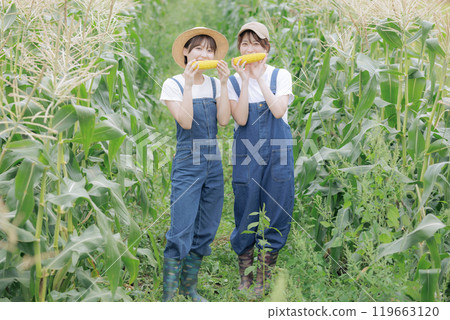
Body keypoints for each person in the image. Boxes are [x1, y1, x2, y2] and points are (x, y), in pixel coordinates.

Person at [160, 27, 230, 302]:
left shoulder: (214, 84)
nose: (204, 54)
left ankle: (189, 288)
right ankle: (168, 295)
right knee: (181, 227)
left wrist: (224, 84)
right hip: (188, 160)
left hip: (213, 161)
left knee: (207, 227)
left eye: (209, 50)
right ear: (186, 52)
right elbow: (186, 122)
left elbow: (224, 121)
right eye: (198, 48)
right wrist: (189, 84)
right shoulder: (174, 84)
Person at [227, 21, 295, 298]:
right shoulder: (233, 82)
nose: (250, 48)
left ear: (267, 48)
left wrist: (260, 79)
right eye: (245, 43)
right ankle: (246, 273)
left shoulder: (281, 76)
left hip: (278, 148)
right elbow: (241, 118)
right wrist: (245, 80)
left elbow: (278, 111)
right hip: (247, 150)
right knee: (246, 204)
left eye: (256, 43)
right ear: (239, 48)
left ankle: (265, 275)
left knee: (278, 205)